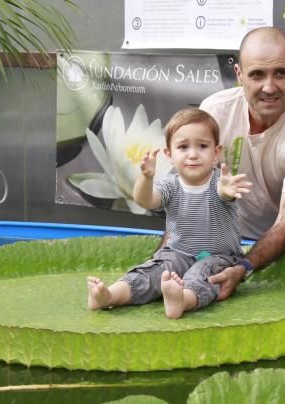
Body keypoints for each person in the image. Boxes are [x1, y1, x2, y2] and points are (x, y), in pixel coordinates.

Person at [200, 26, 285, 301]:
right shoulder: (214, 112)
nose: (269, 87)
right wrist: (162, 260)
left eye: (281, 73)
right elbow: (189, 193)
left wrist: (244, 267)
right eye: (257, 74)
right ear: (239, 75)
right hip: (228, 232)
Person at [86, 107, 252, 319]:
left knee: (204, 275)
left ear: (216, 152)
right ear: (169, 154)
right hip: (178, 253)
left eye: (202, 146)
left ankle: (183, 299)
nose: (193, 154)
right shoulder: (170, 184)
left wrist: (227, 190)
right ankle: (110, 296)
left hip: (220, 257)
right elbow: (144, 200)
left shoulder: (220, 181)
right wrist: (146, 178)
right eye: (183, 147)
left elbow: (224, 193)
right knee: (154, 270)